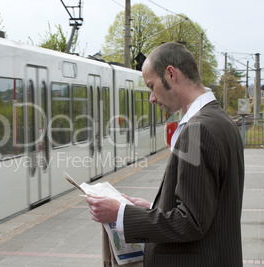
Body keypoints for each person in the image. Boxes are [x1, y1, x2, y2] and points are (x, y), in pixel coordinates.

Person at [87, 42, 244, 266]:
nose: (151, 98)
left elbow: (191, 222)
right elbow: (205, 207)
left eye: (152, 86)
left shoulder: (199, 129)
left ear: (171, 74)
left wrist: (120, 214)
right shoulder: (221, 121)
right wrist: (151, 209)